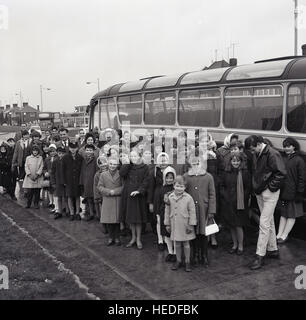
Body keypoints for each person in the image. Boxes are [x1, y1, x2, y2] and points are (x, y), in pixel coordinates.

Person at [245, 135, 286, 270]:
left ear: (258, 144)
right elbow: (279, 173)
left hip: (266, 191)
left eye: (252, 149)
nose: (251, 152)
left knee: (264, 222)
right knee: (268, 221)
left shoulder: (272, 153)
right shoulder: (268, 153)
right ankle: (273, 249)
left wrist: (269, 188)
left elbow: (281, 173)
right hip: (264, 190)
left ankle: (260, 255)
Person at [184, 154, 216, 267]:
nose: (196, 165)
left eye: (198, 163)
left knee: (203, 234)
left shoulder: (208, 177)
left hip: (204, 210)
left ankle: (204, 255)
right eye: (193, 163)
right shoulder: (186, 177)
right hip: (192, 210)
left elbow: (212, 194)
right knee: (194, 234)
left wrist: (212, 210)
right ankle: (196, 254)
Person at [220, 152, 251, 255]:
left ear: (241, 162)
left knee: (239, 225)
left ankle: (241, 246)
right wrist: (226, 196)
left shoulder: (245, 173)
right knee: (231, 225)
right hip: (228, 203)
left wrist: (242, 198)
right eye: (233, 161)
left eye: (238, 161)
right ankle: (234, 245)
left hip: (240, 204)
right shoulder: (226, 172)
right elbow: (222, 186)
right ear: (230, 162)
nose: (236, 163)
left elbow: (248, 188)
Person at [164, 175, 197, 272]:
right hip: (174, 224)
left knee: (186, 243)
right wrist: (167, 224)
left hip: (185, 224)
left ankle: (187, 262)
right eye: (177, 186)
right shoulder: (170, 197)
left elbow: (192, 212)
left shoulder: (188, 198)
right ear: (174, 185)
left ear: (185, 187)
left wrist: (191, 224)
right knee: (177, 243)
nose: (179, 188)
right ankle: (178, 260)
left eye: (181, 186)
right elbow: (167, 211)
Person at [277, 138, 306, 244]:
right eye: (285, 146)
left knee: (290, 214)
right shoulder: (292, 158)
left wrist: (299, 192)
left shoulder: (298, 160)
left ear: (294, 146)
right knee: (284, 214)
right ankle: (279, 235)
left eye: (288, 146)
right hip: (287, 191)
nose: (286, 148)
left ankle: (284, 235)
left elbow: (302, 178)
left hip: (293, 192)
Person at [119, 149, 150, 249]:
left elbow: (146, 181)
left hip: (139, 196)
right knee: (131, 219)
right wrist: (127, 163)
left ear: (139, 156)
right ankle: (133, 238)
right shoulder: (128, 167)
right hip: (128, 195)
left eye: (135, 156)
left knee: (138, 219)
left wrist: (140, 191)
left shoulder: (144, 167)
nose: (133, 158)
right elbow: (122, 173)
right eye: (131, 156)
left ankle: (138, 239)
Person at [98, 157, 123, 246]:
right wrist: (108, 191)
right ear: (108, 164)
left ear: (118, 165)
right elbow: (100, 187)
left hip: (117, 199)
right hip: (107, 199)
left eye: (115, 164)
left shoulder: (120, 174)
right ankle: (110, 237)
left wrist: (115, 191)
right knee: (108, 220)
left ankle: (117, 237)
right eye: (111, 164)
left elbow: (123, 187)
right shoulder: (103, 175)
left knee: (116, 220)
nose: (112, 166)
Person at [158, 166, 176, 262]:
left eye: (171, 178)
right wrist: (158, 214)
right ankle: (170, 252)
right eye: (167, 178)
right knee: (166, 234)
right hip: (164, 214)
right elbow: (159, 202)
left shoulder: (176, 188)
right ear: (164, 178)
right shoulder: (162, 189)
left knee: (174, 234)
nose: (169, 180)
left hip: (174, 214)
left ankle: (176, 253)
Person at [62, 141, 83, 221]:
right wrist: (64, 180)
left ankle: (77, 213)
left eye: (74, 148)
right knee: (70, 196)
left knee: (77, 196)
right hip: (69, 180)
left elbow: (82, 169)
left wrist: (81, 180)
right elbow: (63, 170)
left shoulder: (80, 157)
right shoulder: (65, 157)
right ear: (69, 148)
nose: (73, 150)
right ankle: (71, 213)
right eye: (71, 148)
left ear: (77, 148)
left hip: (77, 180)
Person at [79, 144, 98, 221]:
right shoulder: (83, 160)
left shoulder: (96, 160)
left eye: (90, 150)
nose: (89, 152)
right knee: (88, 198)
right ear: (85, 151)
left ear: (93, 151)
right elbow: (82, 171)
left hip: (93, 181)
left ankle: (97, 214)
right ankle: (91, 213)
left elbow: (97, 171)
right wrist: (81, 181)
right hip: (86, 182)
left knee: (95, 199)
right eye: (87, 150)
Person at [12, 129, 31, 197]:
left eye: (27, 135)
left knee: (28, 175)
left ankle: (29, 191)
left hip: (29, 162)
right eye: (24, 135)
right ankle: (24, 191)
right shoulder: (18, 142)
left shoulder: (31, 141)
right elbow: (16, 152)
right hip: (21, 162)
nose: (26, 136)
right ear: (22, 136)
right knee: (22, 176)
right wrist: (13, 162)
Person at [51, 147, 67, 219]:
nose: (61, 155)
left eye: (63, 154)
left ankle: (67, 211)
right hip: (58, 182)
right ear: (57, 153)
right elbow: (52, 173)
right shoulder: (55, 161)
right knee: (59, 197)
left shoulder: (67, 161)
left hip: (66, 182)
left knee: (66, 197)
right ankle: (59, 211)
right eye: (59, 153)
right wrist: (53, 182)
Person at [94, 155, 108, 225]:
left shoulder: (111, 172)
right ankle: (104, 225)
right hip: (101, 197)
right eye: (101, 164)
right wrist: (97, 197)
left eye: (104, 163)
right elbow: (95, 186)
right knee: (102, 211)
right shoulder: (97, 175)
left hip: (109, 195)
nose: (103, 165)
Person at [43, 144, 58, 213]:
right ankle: (51, 202)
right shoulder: (47, 159)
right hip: (49, 177)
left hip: (55, 176)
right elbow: (44, 168)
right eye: (51, 151)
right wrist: (45, 172)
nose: (52, 153)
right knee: (49, 189)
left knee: (55, 190)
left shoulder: (57, 158)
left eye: (53, 151)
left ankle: (55, 204)